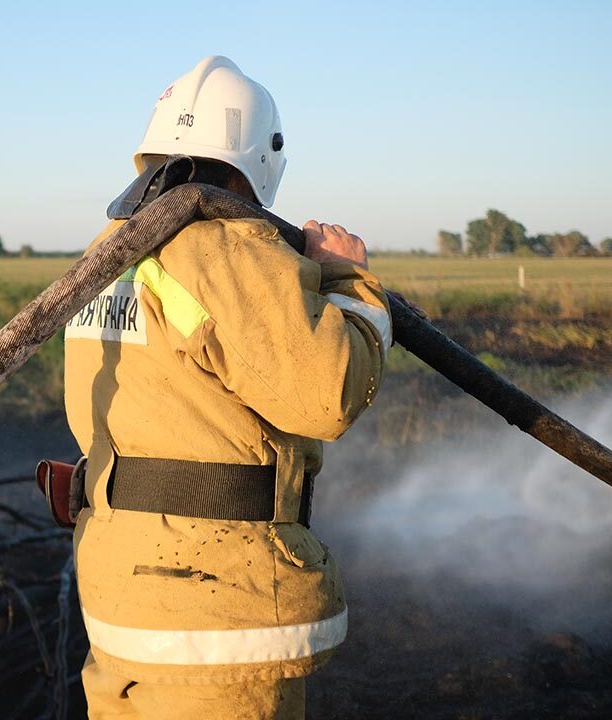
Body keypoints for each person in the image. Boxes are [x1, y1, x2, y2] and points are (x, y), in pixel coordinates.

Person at [63, 56, 391, 719]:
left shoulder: (108, 249)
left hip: (121, 598)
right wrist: (348, 279)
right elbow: (328, 391)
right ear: (263, 154)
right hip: (210, 617)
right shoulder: (221, 247)